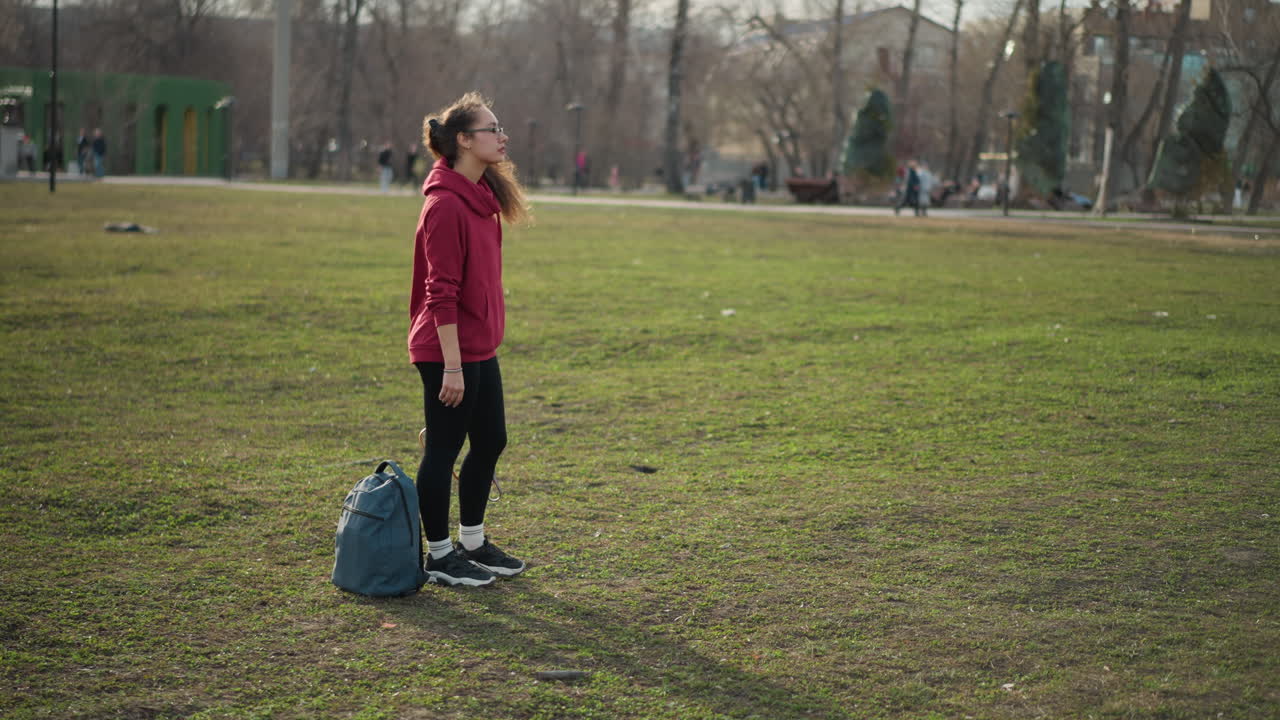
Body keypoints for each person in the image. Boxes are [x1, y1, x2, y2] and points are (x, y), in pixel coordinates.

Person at [408, 91, 530, 587]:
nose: (502, 137)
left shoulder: (483, 200)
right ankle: (438, 555)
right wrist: (453, 367)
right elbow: (441, 295)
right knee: (443, 449)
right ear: (462, 140)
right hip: (445, 348)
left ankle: (472, 542)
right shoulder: (444, 205)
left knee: (491, 440)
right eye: (491, 129)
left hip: (479, 344)